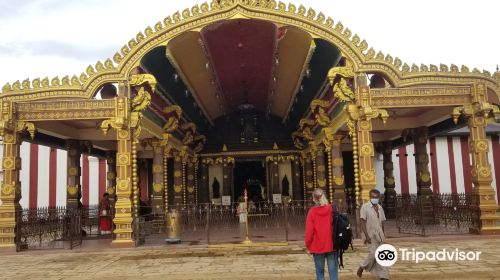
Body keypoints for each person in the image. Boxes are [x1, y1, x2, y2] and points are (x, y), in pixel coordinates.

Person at [305, 188, 338, 280]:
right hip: (332, 245)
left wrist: (308, 245)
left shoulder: (312, 212)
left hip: (317, 246)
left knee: (320, 272)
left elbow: (309, 232)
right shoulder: (331, 209)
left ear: (314, 199)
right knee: (333, 271)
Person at [357, 189, 389, 280]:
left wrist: (383, 235)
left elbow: (382, 222)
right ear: (370, 197)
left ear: (379, 197)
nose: (375, 199)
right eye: (373, 197)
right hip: (370, 234)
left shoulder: (380, 207)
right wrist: (366, 235)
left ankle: (384, 276)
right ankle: (362, 266)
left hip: (380, 234)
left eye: (376, 197)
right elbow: (362, 222)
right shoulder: (365, 207)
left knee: (382, 255)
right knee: (373, 254)